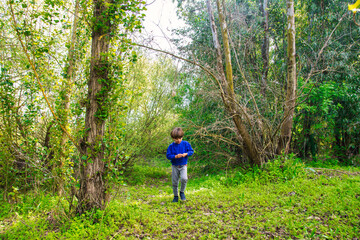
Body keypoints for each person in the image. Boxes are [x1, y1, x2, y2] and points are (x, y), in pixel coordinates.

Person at [166, 127, 194, 202]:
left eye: (180, 138)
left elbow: (191, 151)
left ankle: (182, 192)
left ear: (182, 137)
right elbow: (168, 156)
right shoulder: (171, 146)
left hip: (183, 165)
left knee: (184, 179)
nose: (178, 140)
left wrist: (186, 154)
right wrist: (175, 156)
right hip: (175, 166)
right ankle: (175, 196)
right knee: (175, 181)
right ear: (173, 138)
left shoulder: (186, 144)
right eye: (176, 139)